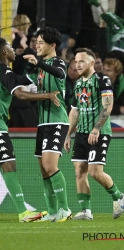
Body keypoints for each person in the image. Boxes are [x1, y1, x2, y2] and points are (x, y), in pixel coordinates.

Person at [0, 37, 60, 223]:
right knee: (9, 165)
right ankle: (23, 213)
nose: (13, 50)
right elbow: (19, 93)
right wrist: (46, 95)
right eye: (10, 47)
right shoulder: (5, 71)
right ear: (4, 52)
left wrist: (31, 74)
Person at [64, 48, 124, 220]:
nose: (77, 64)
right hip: (82, 133)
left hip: (99, 132)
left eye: (81, 61)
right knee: (79, 171)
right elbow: (74, 111)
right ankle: (85, 211)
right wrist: (68, 134)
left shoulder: (102, 80)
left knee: (95, 172)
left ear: (91, 63)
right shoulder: (78, 84)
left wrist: (97, 128)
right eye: (76, 61)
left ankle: (118, 197)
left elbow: (108, 105)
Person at [23, 27, 71, 222]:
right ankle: (52, 212)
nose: (37, 45)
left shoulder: (57, 62)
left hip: (57, 121)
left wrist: (39, 63)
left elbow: (59, 74)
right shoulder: (41, 67)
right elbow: (31, 85)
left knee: (50, 166)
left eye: (41, 42)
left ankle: (65, 209)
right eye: (36, 42)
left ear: (52, 45)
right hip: (43, 123)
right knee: (43, 169)